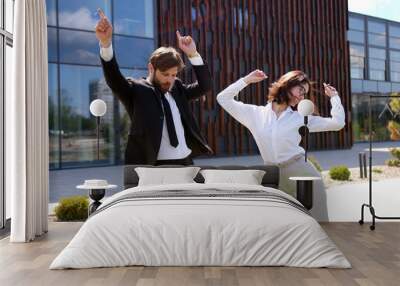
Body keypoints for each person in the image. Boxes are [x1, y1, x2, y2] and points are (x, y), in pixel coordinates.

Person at [95, 9, 213, 165]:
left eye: (173, 74)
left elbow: (205, 86)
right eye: (165, 74)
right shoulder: (136, 90)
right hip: (153, 166)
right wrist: (105, 44)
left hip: (185, 162)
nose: (170, 80)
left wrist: (193, 54)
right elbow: (114, 79)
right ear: (151, 68)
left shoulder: (177, 87)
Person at [216, 69, 345, 199]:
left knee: (317, 216)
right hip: (273, 175)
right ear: (288, 84)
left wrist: (334, 98)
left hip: (300, 170)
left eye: (304, 94)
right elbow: (223, 98)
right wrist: (246, 80)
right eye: (301, 90)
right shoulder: (255, 114)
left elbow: (337, 123)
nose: (302, 97)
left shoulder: (300, 117)